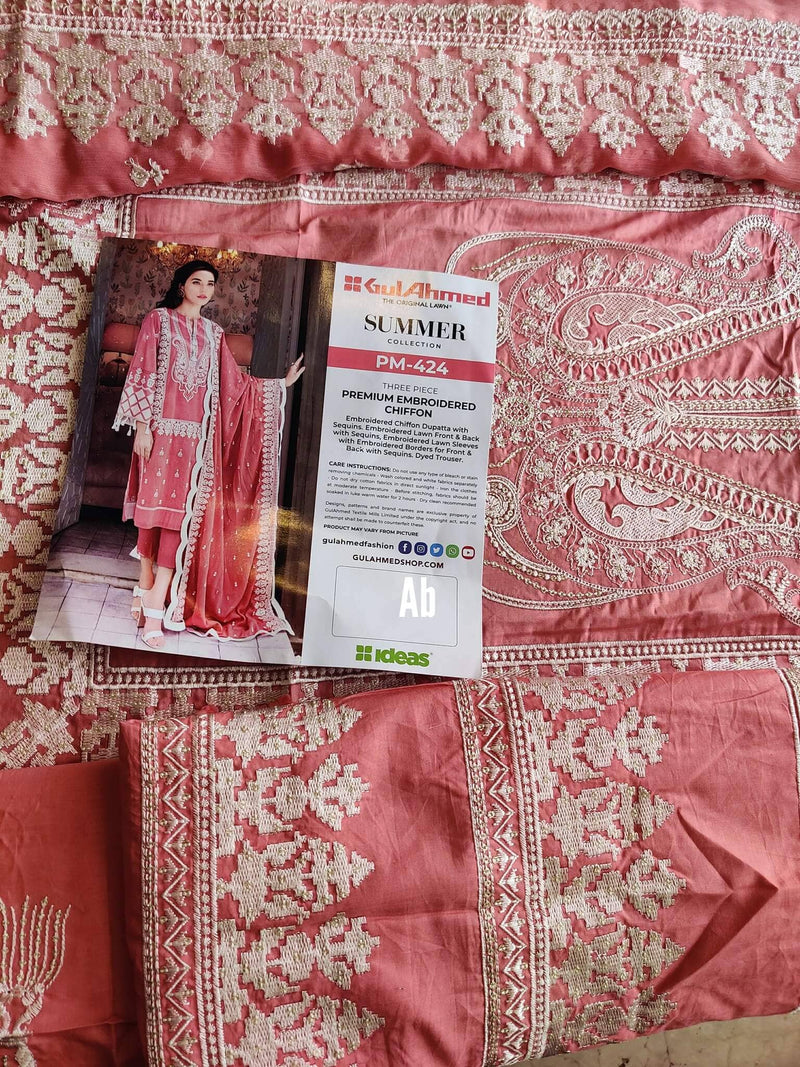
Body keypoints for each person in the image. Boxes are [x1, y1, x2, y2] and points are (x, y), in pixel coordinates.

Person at [113, 259, 304, 648]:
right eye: (197, 282)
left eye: (210, 284)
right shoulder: (158, 321)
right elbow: (143, 372)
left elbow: (234, 383)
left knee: (178, 518)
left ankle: (154, 601)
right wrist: (143, 429)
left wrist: (278, 385)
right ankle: (145, 582)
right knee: (152, 514)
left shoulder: (214, 333)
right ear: (181, 286)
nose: (204, 289)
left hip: (197, 442)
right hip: (160, 433)